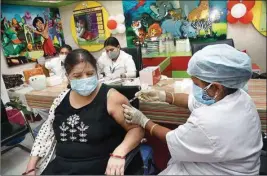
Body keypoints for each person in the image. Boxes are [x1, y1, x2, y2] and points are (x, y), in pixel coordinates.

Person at [122, 44, 263, 175]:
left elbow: (172, 140)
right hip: (227, 165)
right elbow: (193, 101)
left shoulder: (208, 121)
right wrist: (164, 96)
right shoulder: (240, 97)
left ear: (216, 87)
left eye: (196, 83)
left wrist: (143, 121)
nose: (194, 88)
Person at [24, 49, 144, 175]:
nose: (85, 79)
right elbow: (46, 132)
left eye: (90, 73)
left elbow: (137, 129)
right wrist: (31, 167)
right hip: (61, 166)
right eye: (77, 76)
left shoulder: (112, 98)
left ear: (97, 72)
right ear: (68, 77)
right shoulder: (61, 99)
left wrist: (119, 153)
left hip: (99, 166)